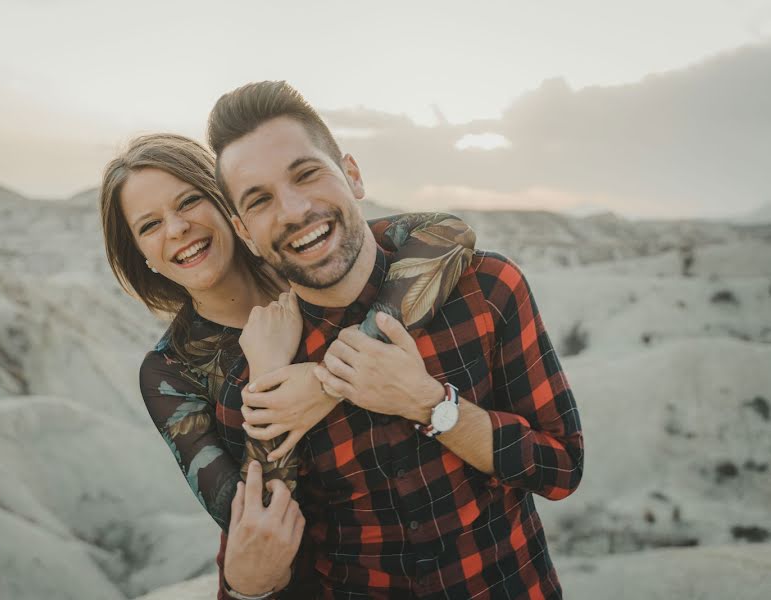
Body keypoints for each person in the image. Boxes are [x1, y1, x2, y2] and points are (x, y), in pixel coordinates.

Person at [207, 81, 585, 599]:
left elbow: (561, 467)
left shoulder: (486, 289)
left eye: (307, 174)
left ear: (353, 174)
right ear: (244, 233)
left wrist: (431, 405)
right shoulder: (253, 381)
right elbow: (258, 563)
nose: (293, 210)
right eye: (260, 200)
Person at [98, 134, 477, 598]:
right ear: (142, 256)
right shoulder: (169, 371)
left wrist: (328, 381)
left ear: (225, 205)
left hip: (457, 555)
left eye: (189, 202)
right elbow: (253, 518)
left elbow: (449, 233)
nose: (176, 228)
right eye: (150, 225)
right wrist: (267, 373)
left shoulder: (314, 262)